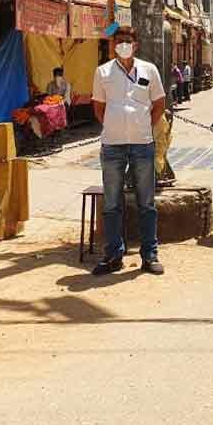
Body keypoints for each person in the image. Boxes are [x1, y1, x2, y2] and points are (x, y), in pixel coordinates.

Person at [91, 26, 167, 276]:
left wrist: (142, 126)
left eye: (128, 41)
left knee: (147, 202)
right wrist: (115, 125)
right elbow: (98, 107)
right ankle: (113, 255)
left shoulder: (149, 70)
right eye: (119, 40)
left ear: (136, 44)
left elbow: (159, 104)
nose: (123, 44)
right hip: (112, 146)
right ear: (113, 44)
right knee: (112, 203)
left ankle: (150, 255)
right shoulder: (102, 72)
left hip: (143, 145)